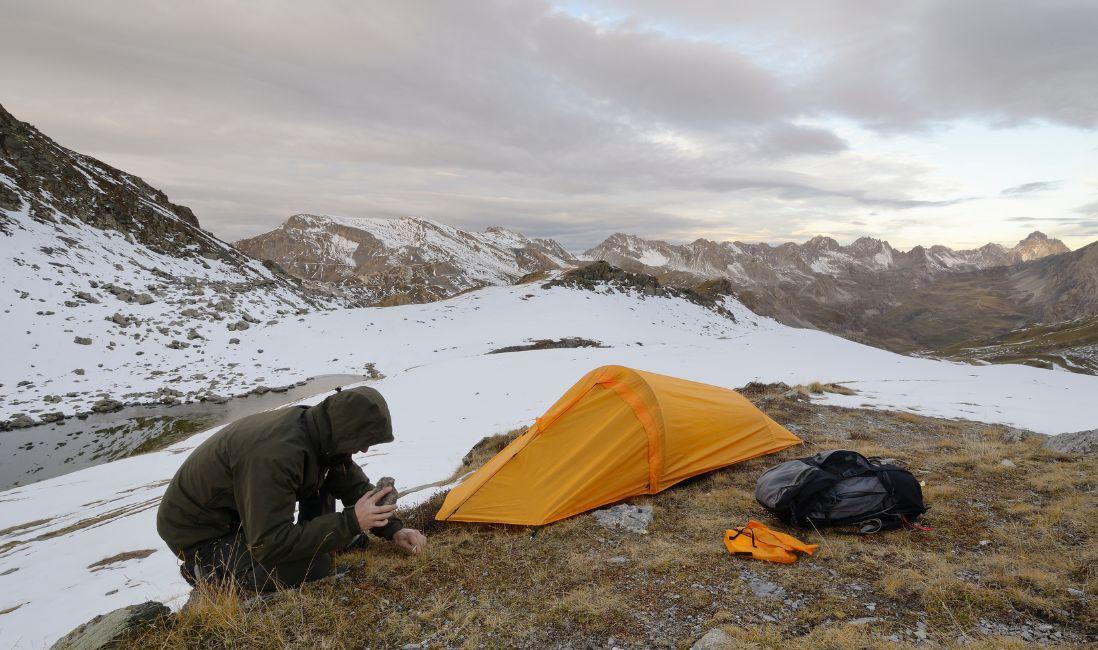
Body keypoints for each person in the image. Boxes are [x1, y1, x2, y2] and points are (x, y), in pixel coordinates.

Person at [156, 386, 427, 592]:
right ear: (346, 430)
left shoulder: (320, 432)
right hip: (200, 533)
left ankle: (323, 541)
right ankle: (205, 570)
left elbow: (350, 483)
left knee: (328, 488)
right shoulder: (275, 456)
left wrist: (394, 530)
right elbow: (268, 543)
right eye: (363, 440)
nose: (365, 448)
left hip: (240, 515)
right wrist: (349, 523)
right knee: (314, 565)